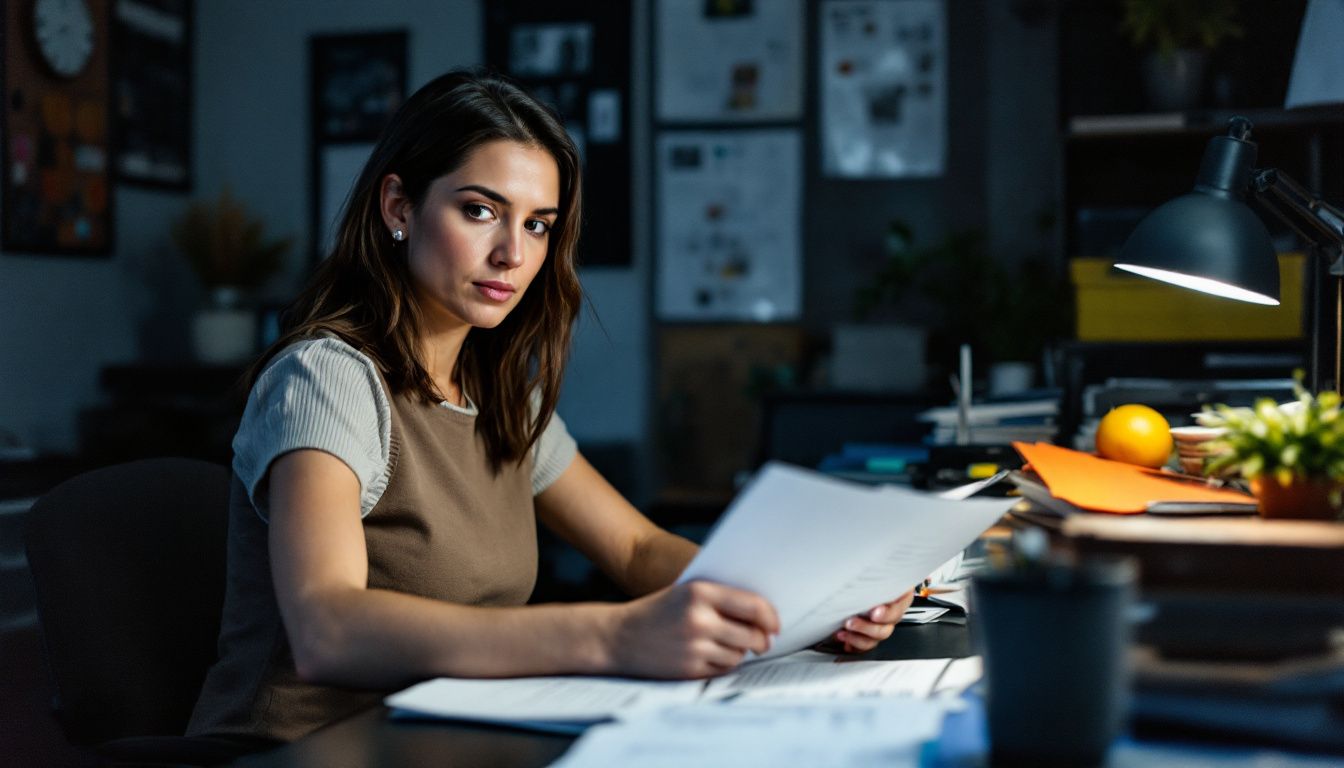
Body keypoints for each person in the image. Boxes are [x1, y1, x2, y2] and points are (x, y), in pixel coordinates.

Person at [187, 70, 914, 744]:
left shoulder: (500, 391)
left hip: (443, 742)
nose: (513, 253)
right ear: (399, 207)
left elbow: (636, 549)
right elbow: (328, 629)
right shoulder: (327, 378)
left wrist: (806, 605)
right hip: (302, 752)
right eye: (481, 211)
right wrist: (612, 636)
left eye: (538, 224)